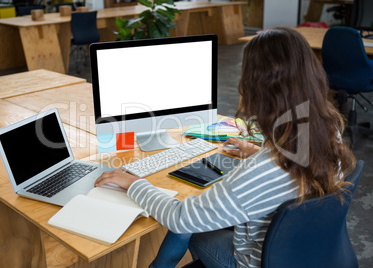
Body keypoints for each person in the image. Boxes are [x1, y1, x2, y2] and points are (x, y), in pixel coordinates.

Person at [94, 27, 355, 268]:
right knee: (200, 208)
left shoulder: (261, 171)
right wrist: (257, 152)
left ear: (257, 88)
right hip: (304, 251)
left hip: (253, 261)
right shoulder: (329, 128)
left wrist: (131, 182)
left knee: (188, 224)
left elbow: (181, 217)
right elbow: (286, 171)